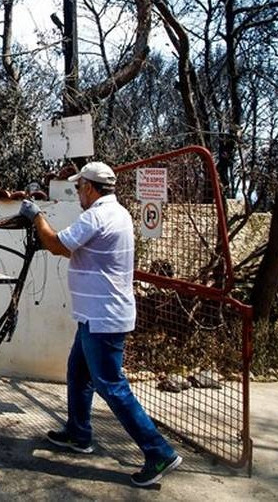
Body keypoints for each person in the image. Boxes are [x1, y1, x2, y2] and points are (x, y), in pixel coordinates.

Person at [19, 161, 182, 487]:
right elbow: (74, 250)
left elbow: (56, 245)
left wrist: (36, 215)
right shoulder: (117, 213)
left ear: (91, 188)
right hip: (96, 315)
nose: (78, 192)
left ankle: (158, 451)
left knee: (111, 385)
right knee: (78, 374)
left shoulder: (97, 215)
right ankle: (78, 434)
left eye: (80, 187)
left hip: (103, 318)